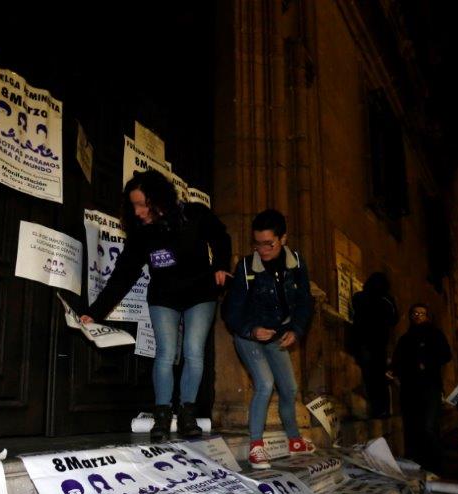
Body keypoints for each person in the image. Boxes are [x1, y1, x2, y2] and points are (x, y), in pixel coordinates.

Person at [81, 170, 231, 442]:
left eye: (142, 204)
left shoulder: (193, 214)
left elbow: (221, 236)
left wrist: (221, 264)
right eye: (133, 205)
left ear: (158, 199)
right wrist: (94, 312)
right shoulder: (141, 234)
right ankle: (161, 415)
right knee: (165, 353)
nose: (137, 212)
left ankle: (187, 413)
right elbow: (123, 275)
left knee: (194, 351)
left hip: (200, 293)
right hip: (165, 296)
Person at [223, 209, 315, 469]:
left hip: (277, 333)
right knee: (265, 383)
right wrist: (251, 330)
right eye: (257, 244)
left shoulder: (296, 263)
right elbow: (232, 311)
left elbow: (305, 301)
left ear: (283, 239)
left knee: (290, 388)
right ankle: (256, 446)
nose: (262, 250)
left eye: (269, 244)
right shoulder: (245, 266)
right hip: (249, 334)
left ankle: (294, 440)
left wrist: (296, 329)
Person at [389, 303, 451, 473]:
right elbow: (397, 360)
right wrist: (394, 371)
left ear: (427, 316)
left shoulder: (435, 334)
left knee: (429, 426)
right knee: (411, 426)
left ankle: (437, 465)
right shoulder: (405, 338)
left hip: (430, 387)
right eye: (414, 313)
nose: (418, 316)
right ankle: (416, 464)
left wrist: (427, 364)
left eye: (421, 313)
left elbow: (446, 355)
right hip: (409, 389)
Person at [351, 272, 398, 417]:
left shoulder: (360, 297)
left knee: (371, 377)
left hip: (367, 343)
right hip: (376, 343)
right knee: (377, 377)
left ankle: (378, 408)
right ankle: (380, 408)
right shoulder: (386, 300)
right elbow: (393, 319)